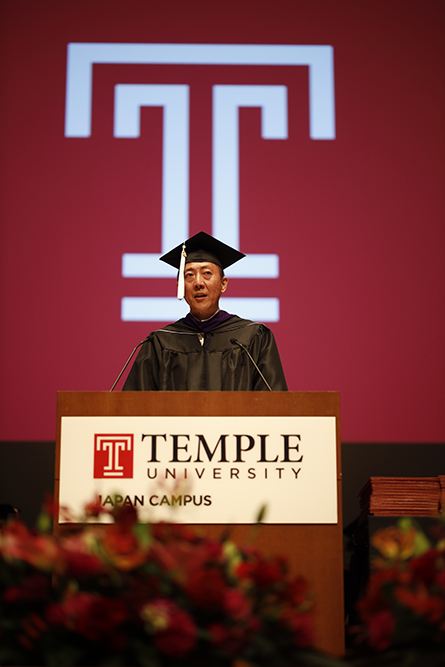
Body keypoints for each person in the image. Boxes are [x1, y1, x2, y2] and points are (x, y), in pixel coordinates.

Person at [123, 231, 287, 391]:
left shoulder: (253, 338)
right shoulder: (160, 343)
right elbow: (133, 404)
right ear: (180, 287)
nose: (198, 283)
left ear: (223, 284)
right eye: (189, 275)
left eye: (207, 273)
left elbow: (274, 403)